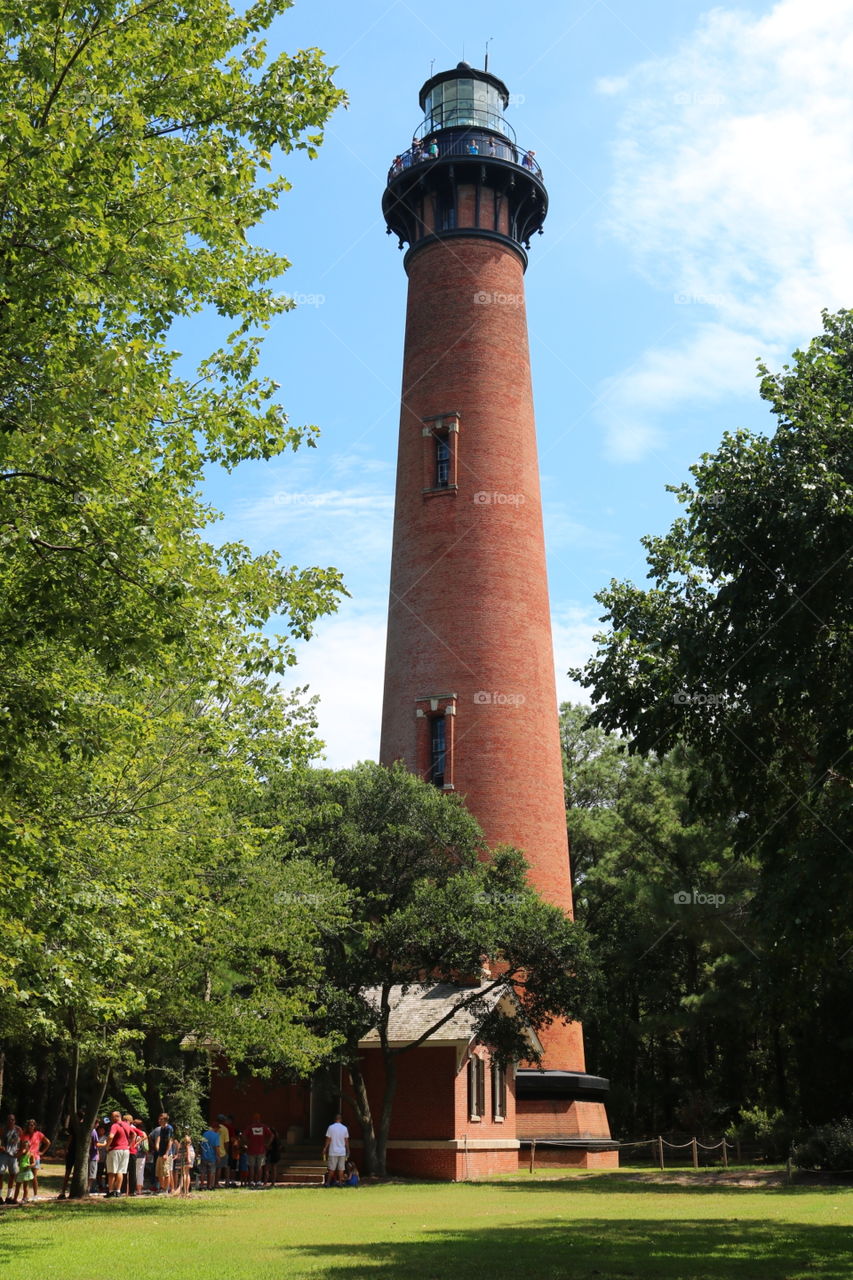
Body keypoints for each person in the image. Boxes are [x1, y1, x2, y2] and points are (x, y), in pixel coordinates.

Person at [105, 1109, 131, 1198]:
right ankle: (118, 1191)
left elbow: (111, 1136)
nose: (111, 1118)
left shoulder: (115, 1125)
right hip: (125, 1150)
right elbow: (134, 1135)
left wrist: (107, 1146)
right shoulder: (127, 1125)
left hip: (115, 1150)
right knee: (120, 1171)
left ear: (117, 1117)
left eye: (112, 1117)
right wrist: (129, 1146)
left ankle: (111, 1191)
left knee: (112, 1172)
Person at [22, 1119, 50, 1201]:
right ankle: (25, 1196)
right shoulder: (24, 1134)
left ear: (35, 1126)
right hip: (26, 1158)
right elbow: (21, 1145)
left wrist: (42, 1152)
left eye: (32, 1125)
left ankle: (35, 1195)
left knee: (34, 1177)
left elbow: (48, 1142)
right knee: (25, 1177)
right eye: (29, 1125)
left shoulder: (38, 1134)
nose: (30, 1126)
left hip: (35, 1157)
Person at [149, 1111, 175, 1195]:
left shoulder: (169, 1128)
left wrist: (166, 1153)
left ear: (165, 1120)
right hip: (160, 1153)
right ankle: (162, 1188)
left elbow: (170, 1141)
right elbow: (159, 1138)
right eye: (159, 1119)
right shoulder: (162, 1128)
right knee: (159, 1172)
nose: (159, 1120)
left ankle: (166, 1190)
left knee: (166, 1172)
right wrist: (157, 1146)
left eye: (161, 1119)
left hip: (166, 1154)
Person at [244, 1112, 272, 1188]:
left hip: (251, 1149)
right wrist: (267, 1144)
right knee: (260, 1167)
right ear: (260, 1119)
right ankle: (259, 1181)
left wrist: (247, 1143)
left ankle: (252, 1181)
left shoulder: (250, 1127)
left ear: (253, 1119)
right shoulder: (264, 1127)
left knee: (252, 1167)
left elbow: (244, 1136)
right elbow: (271, 1135)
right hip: (261, 1150)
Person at [0, 1114, 22, 1204]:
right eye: (9, 1120)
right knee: (0, 1174)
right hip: (3, 1155)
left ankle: (9, 1197)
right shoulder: (2, 1129)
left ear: (15, 1121)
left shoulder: (18, 1130)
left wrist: (20, 1152)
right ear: (7, 1121)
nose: (10, 1121)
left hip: (13, 1156)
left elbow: (23, 1141)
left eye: (12, 1120)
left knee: (12, 1175)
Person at [323, 1113, 349, 1187]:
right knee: (341, 1168)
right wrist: (348, 1149)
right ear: (341, 1119)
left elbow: (328, 1139)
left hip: (333, 1151)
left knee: (331, 1168)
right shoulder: (344, 1128)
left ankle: (328, 1183)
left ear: (335, 1119)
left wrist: (325, 1148)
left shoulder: (330, 1127)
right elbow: (346, 1140)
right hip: (342, 1151)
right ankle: (340, 1183)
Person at [199, 1120, 220, 1190]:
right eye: (218, 1128)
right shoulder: (216, 1135)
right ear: (215, 1128)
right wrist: (218, 1156)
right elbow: (216, 1147)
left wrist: (201, 1153)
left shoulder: (205, 1134)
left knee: (203, 1172)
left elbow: (201, 1145)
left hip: (204, 1156)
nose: (218, 1130)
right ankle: (210, 1186)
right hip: (212, 1157)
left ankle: (201, 1186)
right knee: (211, 1172)